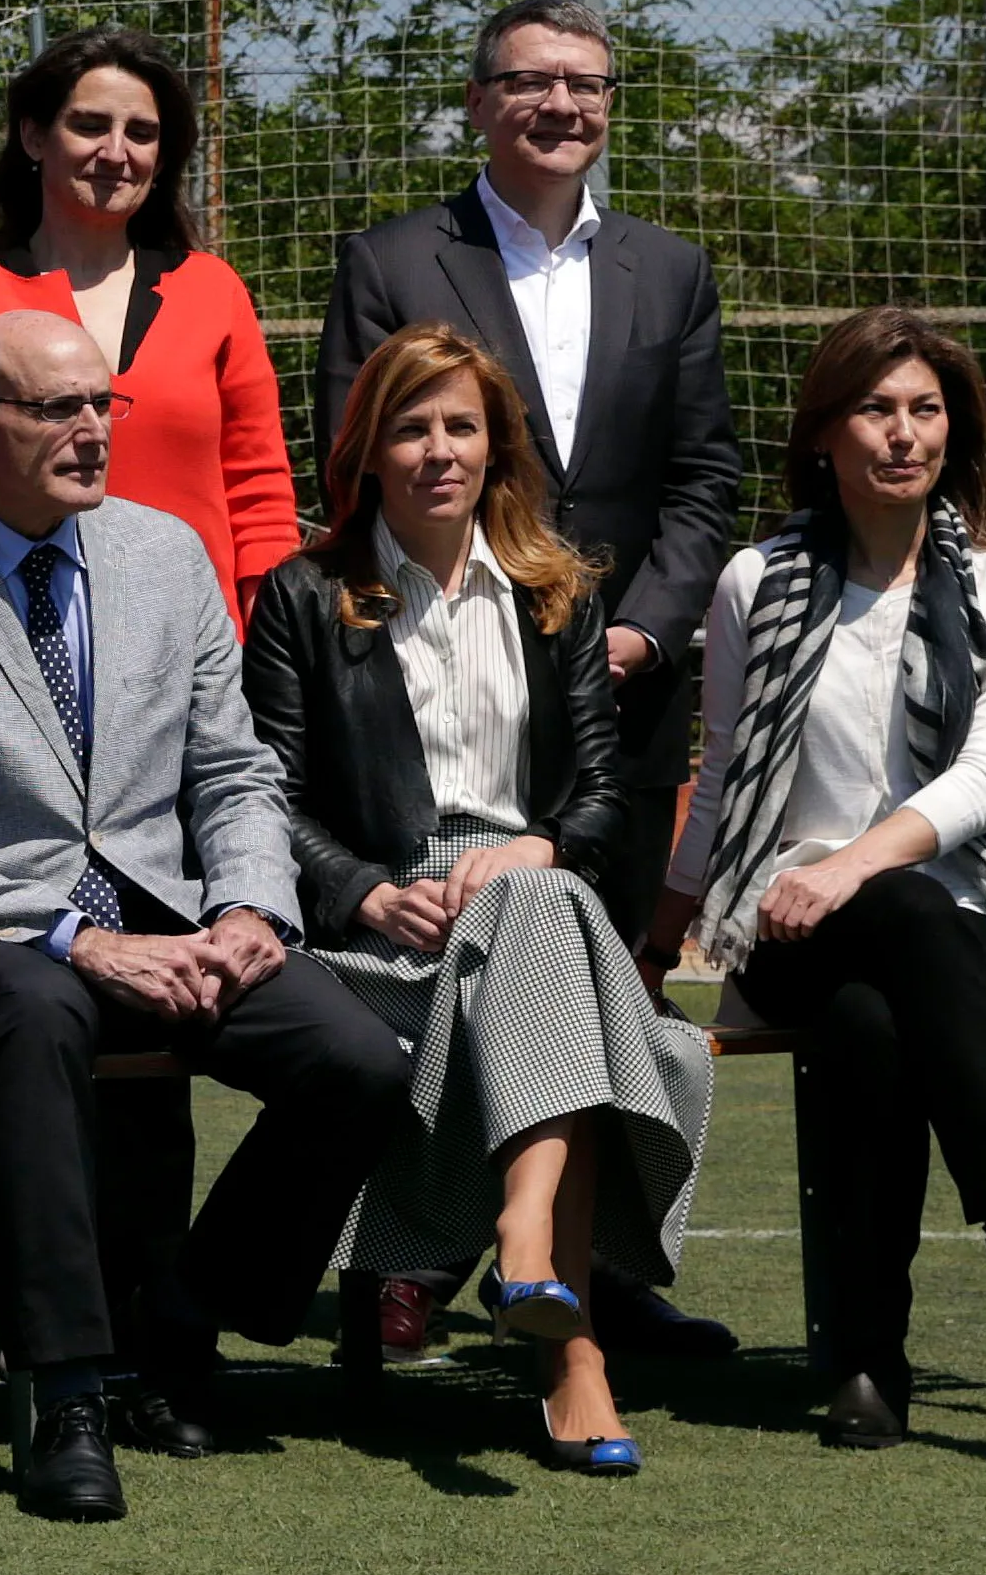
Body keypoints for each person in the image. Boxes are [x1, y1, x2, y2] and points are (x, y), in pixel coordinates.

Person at [0, 308, 407, 1524]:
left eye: (105, 404)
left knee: (356, 1061)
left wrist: (250, 903)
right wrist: (79, 936)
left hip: (177, 914)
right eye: (60, 409)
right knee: (40, 1005)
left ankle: (182, 1315)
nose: (94, 431)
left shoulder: (166, 554)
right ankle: (65, 1391)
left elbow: (234, 773)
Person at [318, 0, 745, 1360]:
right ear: (478, 102)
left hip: (621, 692)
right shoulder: (392, 258)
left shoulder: (670, 272)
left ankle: (593, 1286)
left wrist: (642, 628)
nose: (562, 107)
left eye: (588, 85)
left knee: (604, 975)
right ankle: (411, 1272)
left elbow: (702, 478)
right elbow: (352, 458)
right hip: (443, 688)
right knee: (443, 965)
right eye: (531, 84)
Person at [645, 308, 986, 1452]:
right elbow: (720, 785)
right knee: (869, 961)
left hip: (974, 919)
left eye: (925, 409)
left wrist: (857, 864)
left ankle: (868, 1360)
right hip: (791, 918)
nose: (903, 434)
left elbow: (984, 785)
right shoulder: (755, 581)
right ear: (824, 433)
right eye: (875, 408)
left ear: (952, 432)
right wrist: (655, 942)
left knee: (879, 998)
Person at [243, 322, 711, 1477]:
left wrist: (541, 846)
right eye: (411, 426)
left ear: (497, 447)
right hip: (390, 936)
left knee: (543, 912)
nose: (438, 450)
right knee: (596, 1009)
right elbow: (265, 791)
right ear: (368, 451)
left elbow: (605, 789)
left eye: (461, 425)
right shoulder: (305, 596)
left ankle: (530, 1259)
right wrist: (360, 891)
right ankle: (566, 1339)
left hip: (533, 894)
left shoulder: (557, 592)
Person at [0, 29, 297, 630]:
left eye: (141, 133)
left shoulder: (214, 291)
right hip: (23, 643)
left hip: (197, 645)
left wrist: (267, 635)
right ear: (34, 136)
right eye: (89, 126)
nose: (116, 152)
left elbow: (259, 489)